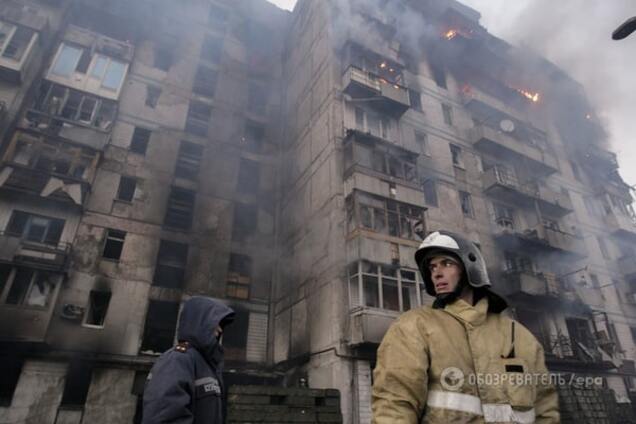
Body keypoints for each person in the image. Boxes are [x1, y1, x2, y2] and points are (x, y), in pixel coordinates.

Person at [372, 230, 560, 423]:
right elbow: (394, 407)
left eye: (446, 263)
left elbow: (545, 411)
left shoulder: (519, 336)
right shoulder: (414, 326)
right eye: (432, 267)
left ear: (471, 267)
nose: (436, 273)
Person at [143, 297, 235, 423]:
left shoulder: (207, 365)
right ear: (200, 322)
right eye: (216, 323)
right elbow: (163, 417)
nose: (220, 330)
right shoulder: (177, 360)